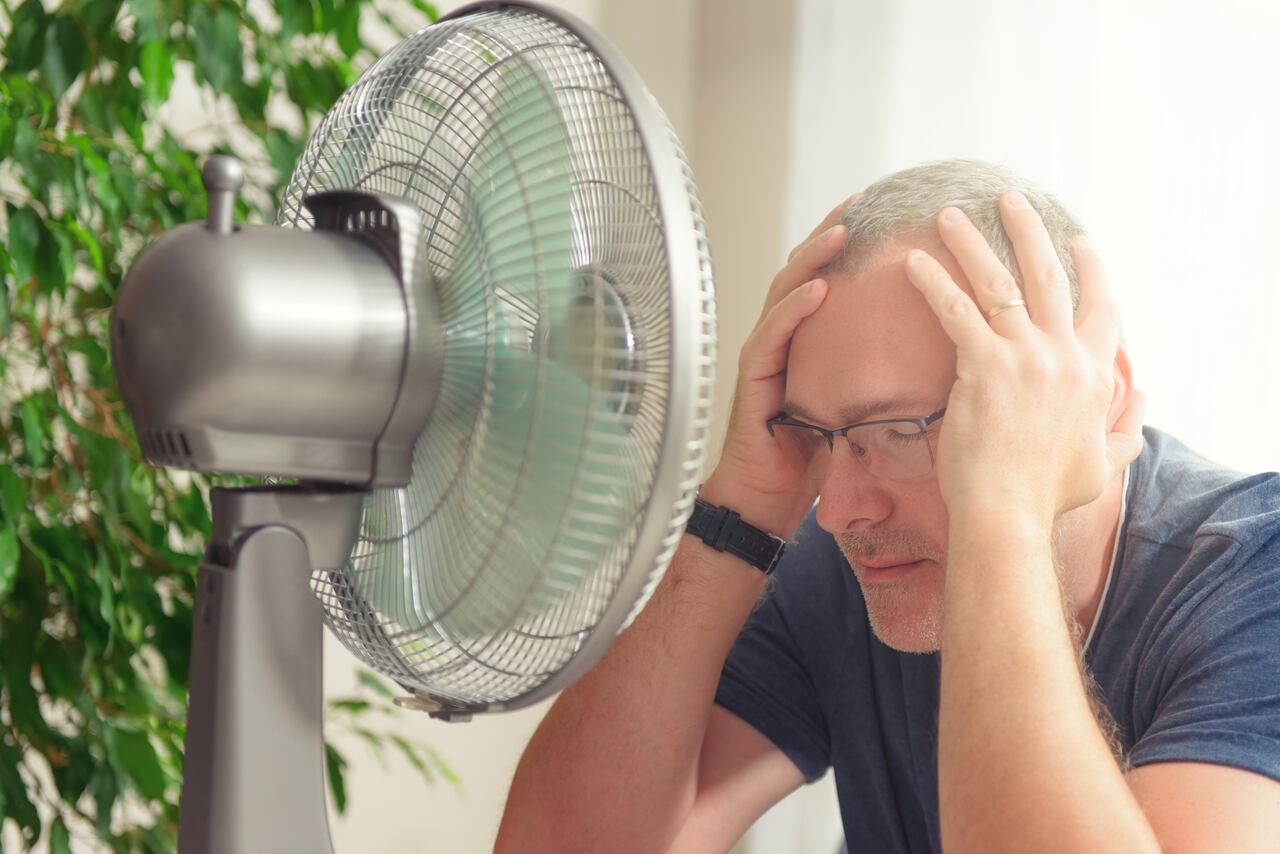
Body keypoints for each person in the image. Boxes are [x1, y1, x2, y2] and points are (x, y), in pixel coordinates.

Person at [495, 160, 1280, 853]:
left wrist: (1001, 506)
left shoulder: (1254, 576)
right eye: (817, 435)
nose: (838, 511)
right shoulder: (845, 570)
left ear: (1097, 400)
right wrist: (745, 505)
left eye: (900, 432)